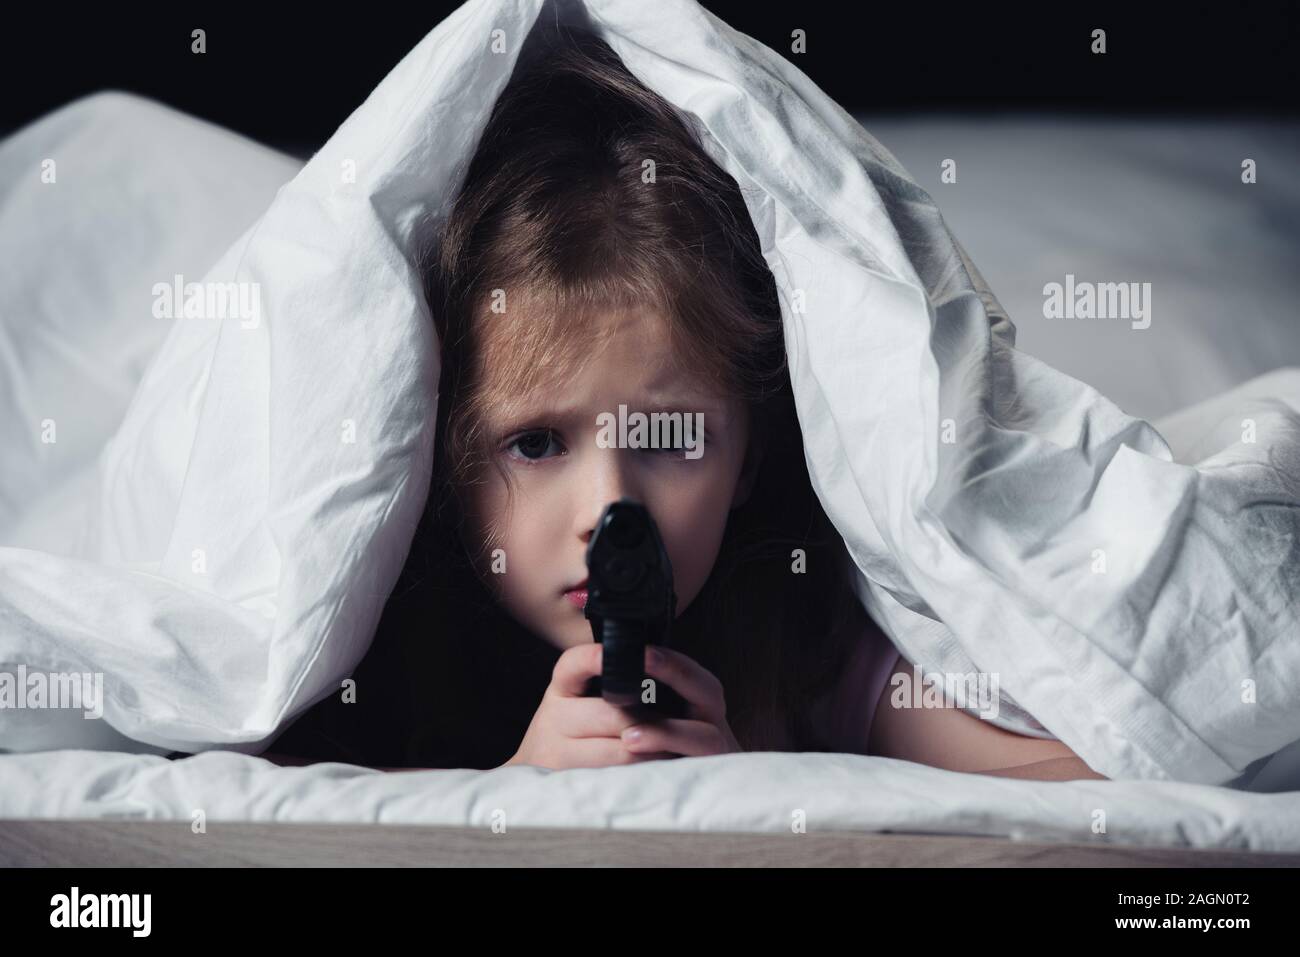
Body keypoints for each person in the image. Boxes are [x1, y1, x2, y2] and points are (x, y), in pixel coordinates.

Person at [267, 22, 1104, 782]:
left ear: (750, 453)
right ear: (442, 462)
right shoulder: (368, 663)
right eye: (535, 444)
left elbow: (1104, 787)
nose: (611, 508)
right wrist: (514, 789)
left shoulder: (805, 642)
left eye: (668, 435)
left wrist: (759, 787)